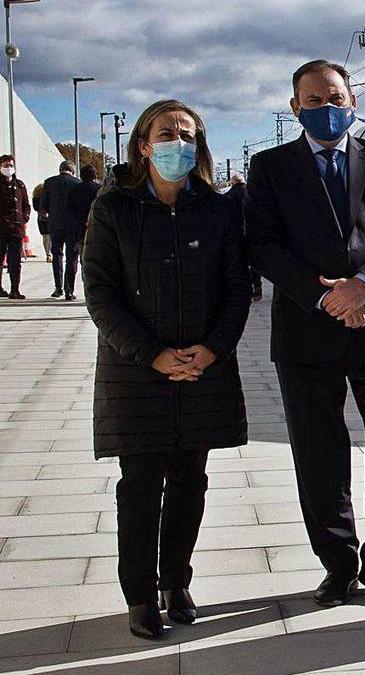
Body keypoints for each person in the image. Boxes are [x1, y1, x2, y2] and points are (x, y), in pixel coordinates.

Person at [245, 60, 365, 608]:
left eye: (337, 97)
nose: (328, 108)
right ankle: (338, 563)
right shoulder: (270, 167)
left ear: (353, 101)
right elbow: (262, 244)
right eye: (315, 100)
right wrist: (326, 294)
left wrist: (364, 286)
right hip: (307, 330)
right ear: (295, 106)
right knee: (319, 451)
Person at [82, 99, 251, 640]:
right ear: (142, 143)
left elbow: (236, 288)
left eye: (186, 134)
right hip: (136, 374)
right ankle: (139, 594)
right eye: (165, 132)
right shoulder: (113, 208)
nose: (176, 142)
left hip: (201, 368)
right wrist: (152, 354)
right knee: (139, 484)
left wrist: (212, 349)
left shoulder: (218, 209)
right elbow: (101, 294)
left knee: (189, 481)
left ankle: (176, 580)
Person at [43, 160, 82, 298]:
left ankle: (58, 287)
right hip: (73, 226)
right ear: (72, 170)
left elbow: (44, 205)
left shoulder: (49, 182)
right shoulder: (77, 183)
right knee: (72, 258)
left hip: (55, 224)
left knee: (57, 256)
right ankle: (69, 290)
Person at [66, 164, 103, 300]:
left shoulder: (74, 190)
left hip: (78, 231)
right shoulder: (99, 189)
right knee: (94, 263)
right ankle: (93, 293)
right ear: (94, 175)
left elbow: (68, 210)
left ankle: (69, 290)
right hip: (95, 230)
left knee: (76, 261)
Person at [0, 154, 31, 299]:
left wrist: (25, 217)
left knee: (15, 261)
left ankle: (15, 289)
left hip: (16, 228)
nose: (9, 168)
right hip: (1, 228)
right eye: (6, 165)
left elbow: (26, 204)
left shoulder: (20, 185)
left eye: (11, 165)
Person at [226, 174, 260, 300]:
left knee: (239, 261)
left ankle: (243, 288)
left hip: (237, 232)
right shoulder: (254, 193)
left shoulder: (228, 196)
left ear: (233, 183)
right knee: (255, 261)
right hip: (254, 232)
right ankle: (257, 285)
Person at [31, 182, 51, 263]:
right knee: (50, 237)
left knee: (45, 237)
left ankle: (48, 254)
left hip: (41, 219)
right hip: (49, 218)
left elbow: (36, 208)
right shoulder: (48, 197)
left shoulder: (36, 198)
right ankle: (49, 254)